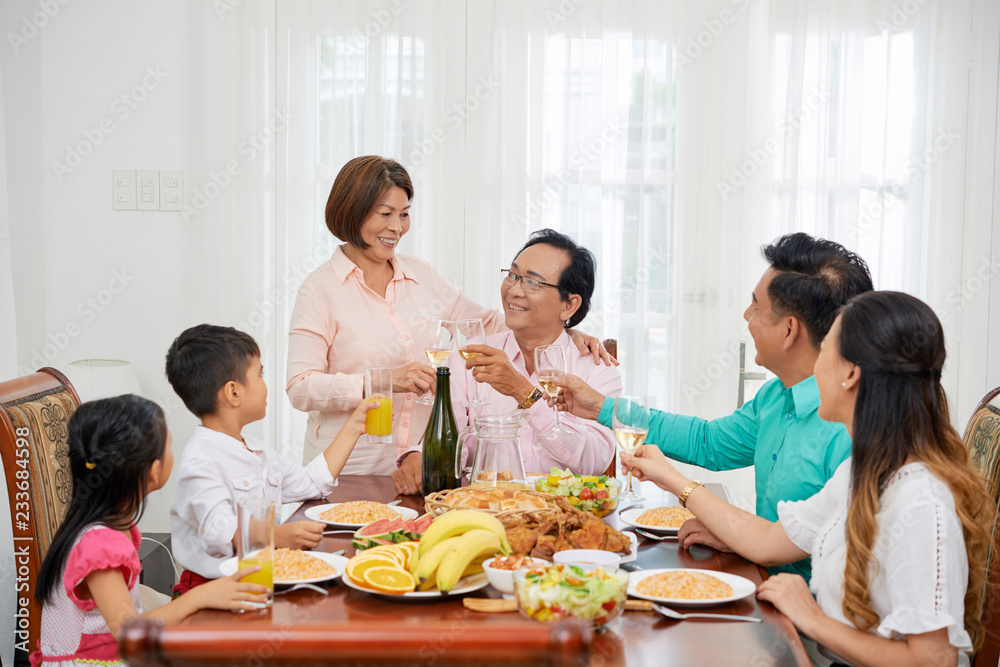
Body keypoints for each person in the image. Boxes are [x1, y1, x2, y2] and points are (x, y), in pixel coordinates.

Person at [621, 291, 993, 666]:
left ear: (850, 373)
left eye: (825, 351)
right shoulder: (864, 470)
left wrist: (812, 620)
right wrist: (672, 480)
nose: (814, 370)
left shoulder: (919, 501)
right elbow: (770, 541)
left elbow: (934, 660)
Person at [554, 233, 873, 579]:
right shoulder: (775, 397)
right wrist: (601, 406)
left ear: (789, 330)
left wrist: (679, 485)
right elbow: (708, 443)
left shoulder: (851, 427)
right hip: (765, 583)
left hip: (813, 610)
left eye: (756, 306)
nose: (746, 314)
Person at [285, 156, 612, 475]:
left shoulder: (421, 276)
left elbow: (490, 324)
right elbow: (300, 387)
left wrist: (567, 329)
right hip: (349, 467)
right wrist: (384, 380)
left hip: (423, 465)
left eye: (404, 214)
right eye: (385, 213)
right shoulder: (320, 290)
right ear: (352, 212)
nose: (397, 227)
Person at [31, 395, 269, 667]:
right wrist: (200, 596)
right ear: (154, 471)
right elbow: (128, 633)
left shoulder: (107, 526)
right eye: (168, 443)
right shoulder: (99, 545)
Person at [393, 229, 623, 494]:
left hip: (564, 516)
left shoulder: (595, 367)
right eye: (513, 275)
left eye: (532, 282)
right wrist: (418, 456)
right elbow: (450, 439)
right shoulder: (470, 357)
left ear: (569, 305)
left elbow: (592, 462)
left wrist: (523, 391)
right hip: (485, 509)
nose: (513, 290)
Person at [166, 324, 376, 595]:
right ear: (233, 392)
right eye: (260, 374)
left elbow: (312, 483)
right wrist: (279, 537)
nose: (266, 383)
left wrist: (356, 425)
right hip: (212, 591)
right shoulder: (200, 461)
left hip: (261, 578)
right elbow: (222, 532)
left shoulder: (258, 451)